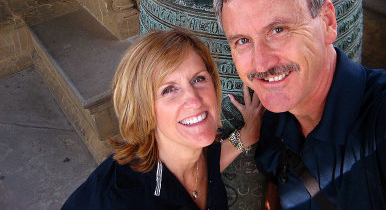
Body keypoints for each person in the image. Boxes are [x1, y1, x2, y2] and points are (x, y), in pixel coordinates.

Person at [214, 0, 386, 210]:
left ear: (327, 22)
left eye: (278, 30)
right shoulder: (273, 120)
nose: (261, 64)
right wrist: (245, 136)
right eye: (243, 41)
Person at [61, 28, 264, 210]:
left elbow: (209, 163)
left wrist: (247, 134)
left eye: (198, 79)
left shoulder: (196, 150)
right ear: (144, 110)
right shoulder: (123, 201)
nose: (194, 100)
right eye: (169, 90)